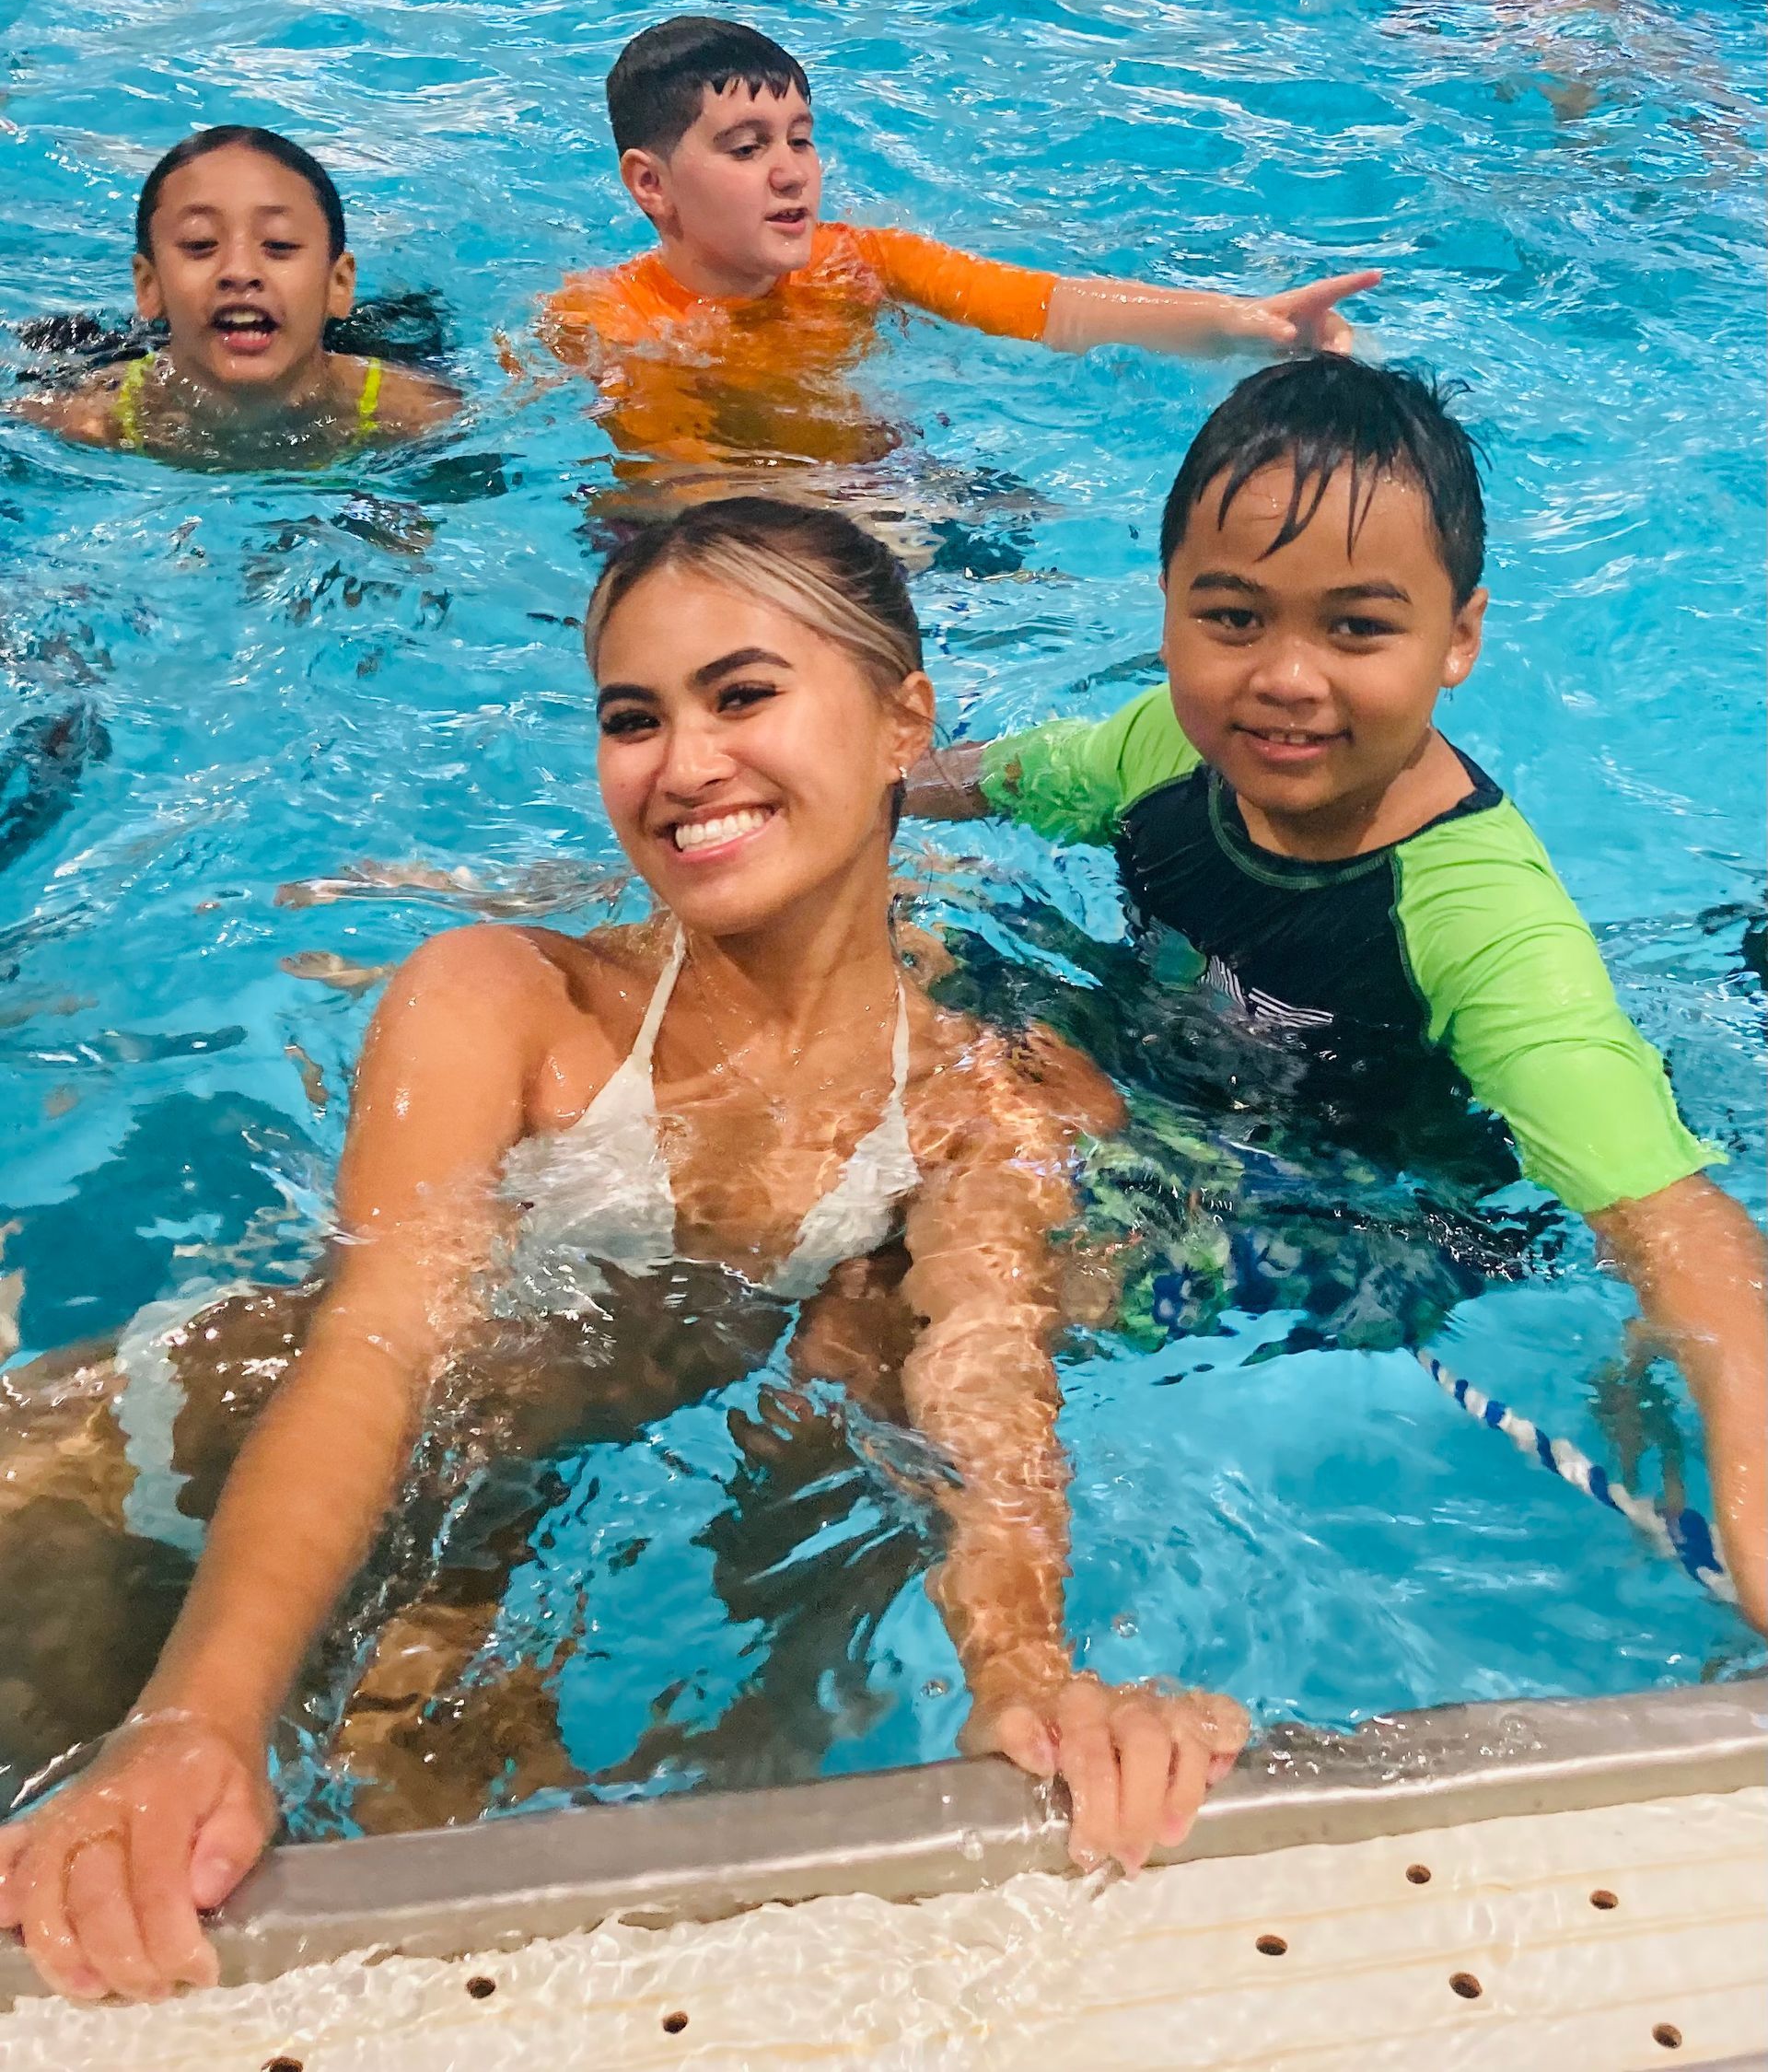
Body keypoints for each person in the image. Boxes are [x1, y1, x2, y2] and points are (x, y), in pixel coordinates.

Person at [0, 497, 1246, 2004]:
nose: (683, 764)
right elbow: (374, 1349)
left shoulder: (976, 1082)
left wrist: (1026, 1680)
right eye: (632, 717)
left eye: (743, 693)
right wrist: (199, 1713)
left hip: (455, 1553)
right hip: (123, 1490)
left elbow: (980, 1384)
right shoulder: (507, 1005)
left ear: (904, 714)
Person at [909, 355, 1767, 1632]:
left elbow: (1676, 1226)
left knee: (1016, 1257)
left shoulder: (1481, 924)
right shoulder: (1157, 748)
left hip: (1382, 1217)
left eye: (1357, 627)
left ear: (1459, 638)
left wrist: (1749, 1485)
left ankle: (1002, 1623)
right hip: (1167, 1077)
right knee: (892, 943)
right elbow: (985, 778)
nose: (1286, 678)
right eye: (1234, 617)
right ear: (1167, 611)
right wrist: (840, 792)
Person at [538, 16, 1380, 478]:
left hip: (868, 489)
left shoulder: (856, 262)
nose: (791, 173)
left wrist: (1250, 324)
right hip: (738, 533)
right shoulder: (610, 322)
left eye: (801, 139)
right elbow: (683, 493)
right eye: (747, 147)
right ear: (651, 185)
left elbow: (1048, 307)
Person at [16, 128, 459, 467]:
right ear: (149, 287)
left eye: (280, 245)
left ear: (338, 284)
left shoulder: (415, 414)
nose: (239, 272)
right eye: (199, 245)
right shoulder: (86, 419)